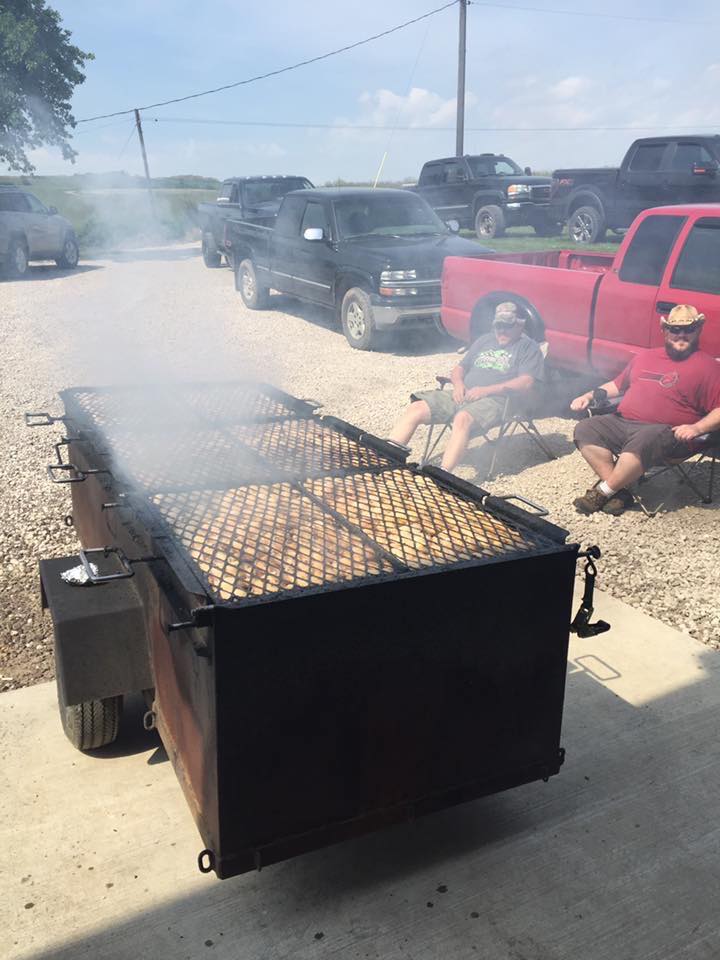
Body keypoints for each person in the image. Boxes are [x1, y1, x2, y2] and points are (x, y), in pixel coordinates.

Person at [570, 304, 720, 515]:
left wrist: (697, 428)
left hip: (670, 434)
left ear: (699, 330)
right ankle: (619, 491)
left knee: (648, 436)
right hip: (624, 423)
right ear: (665, 330)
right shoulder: (645, 357)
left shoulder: (709, 367)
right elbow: (617, 385)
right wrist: (588, 395)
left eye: (689, 328)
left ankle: (602, 493)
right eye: (675, 329)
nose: (681, 334)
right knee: (586, 428)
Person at [388, 301, 545, 472]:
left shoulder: (528, 347)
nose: (501, 331)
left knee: (462, 418)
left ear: (519, 325)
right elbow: (459, 368)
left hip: (498, 400)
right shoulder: (485, 340)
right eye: (498, 326)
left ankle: (442, 476)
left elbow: (526, 382)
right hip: (463, 393)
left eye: (507, 326)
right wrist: (458, 384)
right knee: (417, 408)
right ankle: (386, 459)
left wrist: (485, 391)